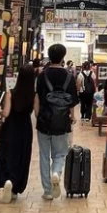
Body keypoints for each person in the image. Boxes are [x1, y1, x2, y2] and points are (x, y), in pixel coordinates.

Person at [34, 43, 78, 200]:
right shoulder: (69, 76)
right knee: (60, 153)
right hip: (62, 121)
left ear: (49, 56)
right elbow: (72, 101)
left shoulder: (42, 75)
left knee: (44, 156)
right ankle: (56, 172)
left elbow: (37, 98)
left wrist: (38, 116)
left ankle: (47, 191)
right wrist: (72, 117)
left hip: (44, 120)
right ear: (63, 57)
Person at [0, 66, 35, 203]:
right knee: (22, 157)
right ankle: (15, 187)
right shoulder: (33, 95)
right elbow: (36, 112)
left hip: (10, 129)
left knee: (7, 155)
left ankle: (7, 180)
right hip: (25, 129)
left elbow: (6, 113)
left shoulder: (10, 93)